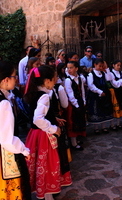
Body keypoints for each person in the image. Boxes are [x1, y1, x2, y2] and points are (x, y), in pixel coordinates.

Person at [24, 65, 72, 199]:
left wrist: (53, 118)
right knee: (47, 165)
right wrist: (54, 128)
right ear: (46, 81)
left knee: (40, 165)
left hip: (35, 134)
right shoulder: (44, 96)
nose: (56, 80)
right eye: (54, 78)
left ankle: (43, 193)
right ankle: (47, 195)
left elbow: (38, 113)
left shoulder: (34, 94)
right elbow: (38, 119)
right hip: (44, 136)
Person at [0, 61, 31, 200]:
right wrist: (24, 150)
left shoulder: (6, 98)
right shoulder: (4, 103)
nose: (16, 79)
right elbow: (7, 139)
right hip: (5, 154)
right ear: (6, 80)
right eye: (14, 76)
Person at [87, 58, 113, 133]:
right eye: (99, 66)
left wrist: (107, 69)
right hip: (95, 95)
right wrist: (99, 91)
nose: (101, 68)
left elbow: (109, 78)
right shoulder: (91, 74)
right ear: (95, 65)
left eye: (102, 66)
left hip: (104, 95)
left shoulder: (103, 73)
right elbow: (91, 85)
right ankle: (96, 128)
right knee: (96, 111)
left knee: (104, 110)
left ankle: (104, 127)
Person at [64, 61, 86, 151]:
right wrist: (76, 105)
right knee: (73, 123)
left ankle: (77, 139)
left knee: (79, 121)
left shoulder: (80, 78)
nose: (69, 70)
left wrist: (83, 101)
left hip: (80, 101)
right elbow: (70, 94)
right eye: (68, 68)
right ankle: (74, 143)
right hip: (73, 105)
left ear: (76, 68)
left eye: (71, 68)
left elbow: (82, 91)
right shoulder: (68, 80)